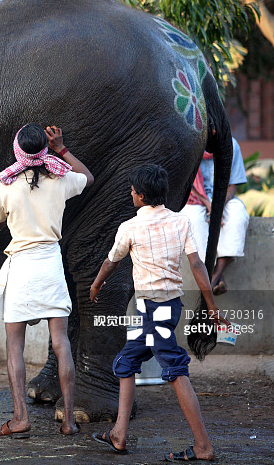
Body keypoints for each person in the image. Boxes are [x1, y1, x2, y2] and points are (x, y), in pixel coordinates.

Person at [89, 164, 230, 461]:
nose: (130, 194)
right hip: (169, 307)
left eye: (132, 190)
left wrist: (97, 284)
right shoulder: (181, 222)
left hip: (153, 309)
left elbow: (111, 262)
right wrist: (212, 307)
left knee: (175, 369)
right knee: (126, 362)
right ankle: (119, 433)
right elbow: (196, 265)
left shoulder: (129, 228)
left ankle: (203, 446)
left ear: (140, 195)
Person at [0, 123, 93, 438]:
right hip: (51, 265)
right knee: (62, 344)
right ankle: (69, 421)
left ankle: (20, 418)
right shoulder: (60, 178)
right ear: (44, 151)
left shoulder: (6, 186)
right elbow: (88, 177)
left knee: (14, 347)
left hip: (21, 268)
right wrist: (61, 148)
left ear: (17, 150)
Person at [181, 137, 249, 295]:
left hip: (223, 199)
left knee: (238, 215)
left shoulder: (229, 144)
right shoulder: (188, 142)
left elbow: (233, 186)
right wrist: (207, 203)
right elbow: (185, 184)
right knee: (194, 220)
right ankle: (217, 276)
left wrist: (219, 206)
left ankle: (214, 277)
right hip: (194, 199)